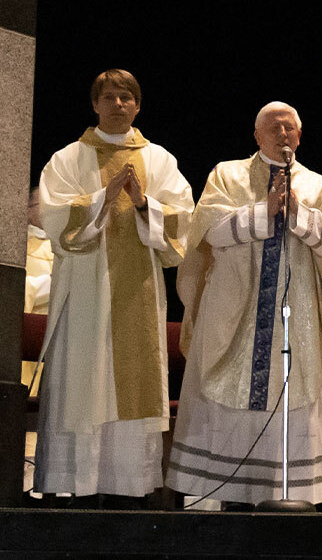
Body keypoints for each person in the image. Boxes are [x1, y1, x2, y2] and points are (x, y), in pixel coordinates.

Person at [167, 102, 322, 508]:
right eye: (273, 126)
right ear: (257, 135)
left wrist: (300, 215)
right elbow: (208, 232)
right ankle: (223, 494)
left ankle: (281, 495)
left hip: (294, 316)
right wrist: (261, 213)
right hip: (234, 312)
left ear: (300, 137)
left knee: (290, 393)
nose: (282, 133)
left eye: (290, 128)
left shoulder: (319, 187)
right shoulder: (227, 175)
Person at [34, 69, 194, 507]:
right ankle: (75, 487)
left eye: (127, 97)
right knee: (81, 380)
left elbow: (184, 220)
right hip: (85, 289)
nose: (119, 104)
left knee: (131, 383)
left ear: (138, 105)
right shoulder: (68, 158)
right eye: (110, 97)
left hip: (138, 292)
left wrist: (144, 203)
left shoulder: (159, 160)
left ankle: (128, 489)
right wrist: (104, 196)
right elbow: (54, 217)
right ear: (95, 104)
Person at [23, 187, 54, 394]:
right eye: (43, 206)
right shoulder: (19, 245)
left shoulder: (62, 246)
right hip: (27, 332)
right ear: (27, 209)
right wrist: (43, 286)